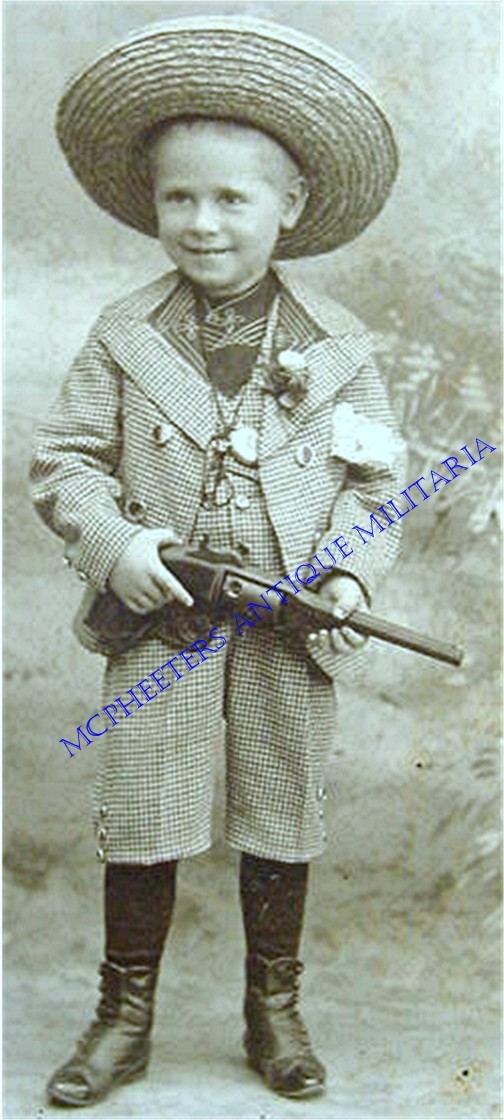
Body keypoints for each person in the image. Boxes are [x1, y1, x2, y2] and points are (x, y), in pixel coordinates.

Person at [30, 16, 405, 1107]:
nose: (201, 223)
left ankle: (272, 1009)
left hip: (289, 622)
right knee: (144, 807)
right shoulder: (123, 332)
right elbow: (64, 462)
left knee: (282, 805)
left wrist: (347, 574)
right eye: (178, 198)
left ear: (290, 205)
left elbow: (375, 484)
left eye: (232, 199)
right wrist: (120, 544)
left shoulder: (338, 347)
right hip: (167, 615)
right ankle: (124, 1016)